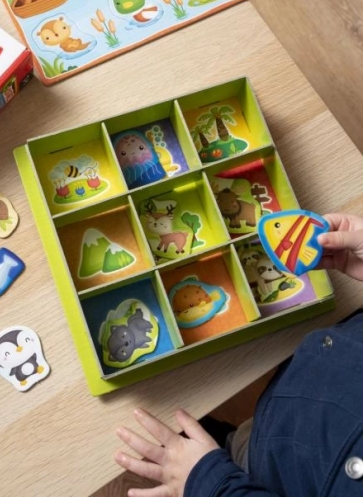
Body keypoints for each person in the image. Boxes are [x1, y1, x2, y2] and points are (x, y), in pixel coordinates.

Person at [114, 212, 363, 496]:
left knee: (235, 448)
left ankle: (225, 446)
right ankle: (226, 440)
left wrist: (208, 482)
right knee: (241, 436)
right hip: (292, 407)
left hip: (274, 469)